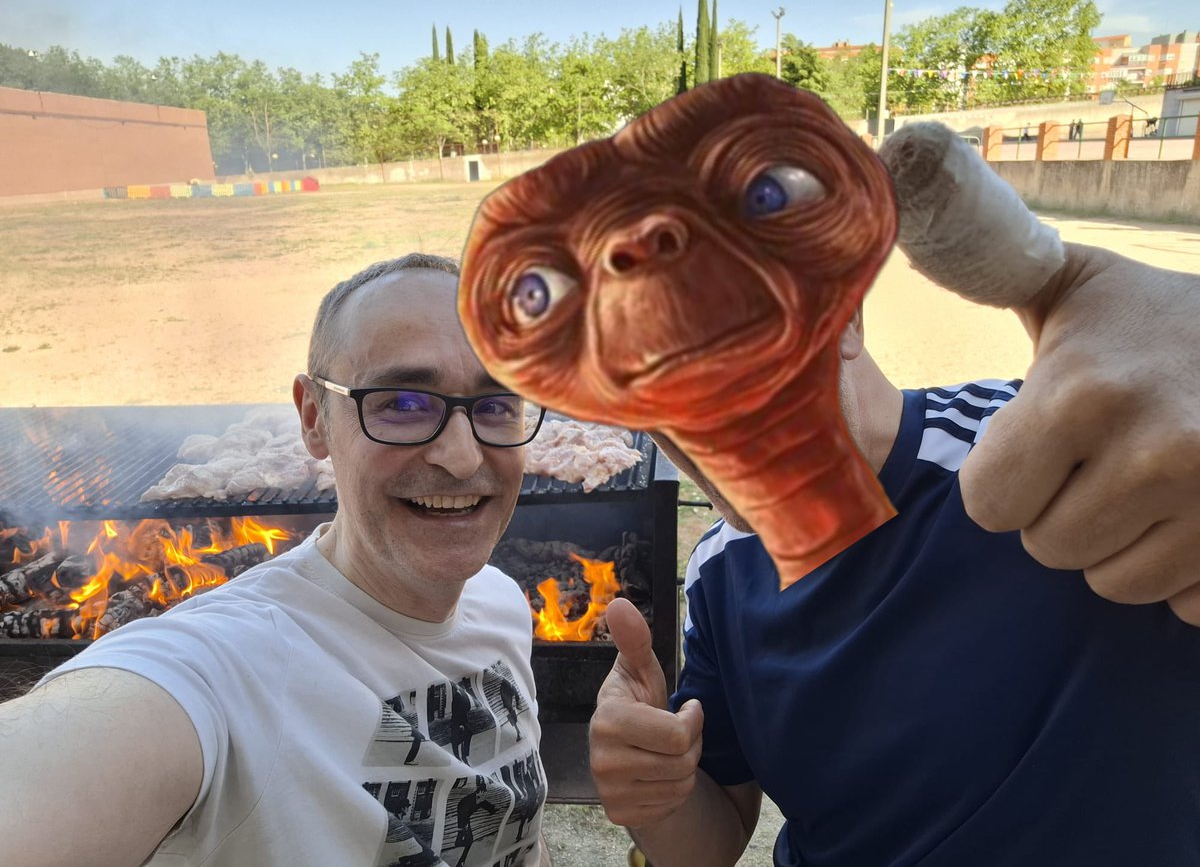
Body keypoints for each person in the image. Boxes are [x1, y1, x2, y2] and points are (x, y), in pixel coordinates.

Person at [590, 241, 1200, 865]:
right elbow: (715, 838)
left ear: (846, 316)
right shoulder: (720, 570)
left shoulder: (1050, 465)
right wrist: (658, 795)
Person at [0, 254, 552, 866]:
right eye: (402, 403)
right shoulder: (229, 668)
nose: (463, 457)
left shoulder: (501, 603)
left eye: (497, 404)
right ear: (314, 418)